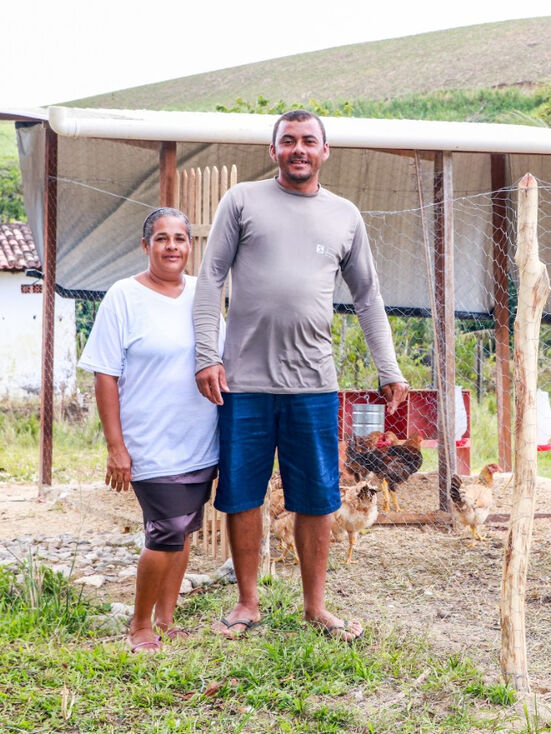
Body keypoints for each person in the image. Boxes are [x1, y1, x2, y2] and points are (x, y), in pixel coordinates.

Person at [193, 109, 409, 642]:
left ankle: (316, 607)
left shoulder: (344, 215)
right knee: (242, 493)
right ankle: (247, 603)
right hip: (242, 381)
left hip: (313, 381)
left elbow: (368, 297)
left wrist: (390, 367)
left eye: (308, 141)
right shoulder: (242, 200)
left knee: (315, 497)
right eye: (287, 141)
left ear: (325, 151)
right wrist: (205, 354)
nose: (298, 149)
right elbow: (210, 276)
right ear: (273, 151)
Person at [79, 207, 221, 653]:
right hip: (150, 442)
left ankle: (167, 618)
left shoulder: (204, 293)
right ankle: (140, 625)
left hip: (200, 437)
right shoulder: (124, 296)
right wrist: (115, 446)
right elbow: (105, 374)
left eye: (180, 238)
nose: (172, 246)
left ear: (190, 246)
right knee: (165, 531)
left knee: (183, 531)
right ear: (146, 246)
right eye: (162, 238)